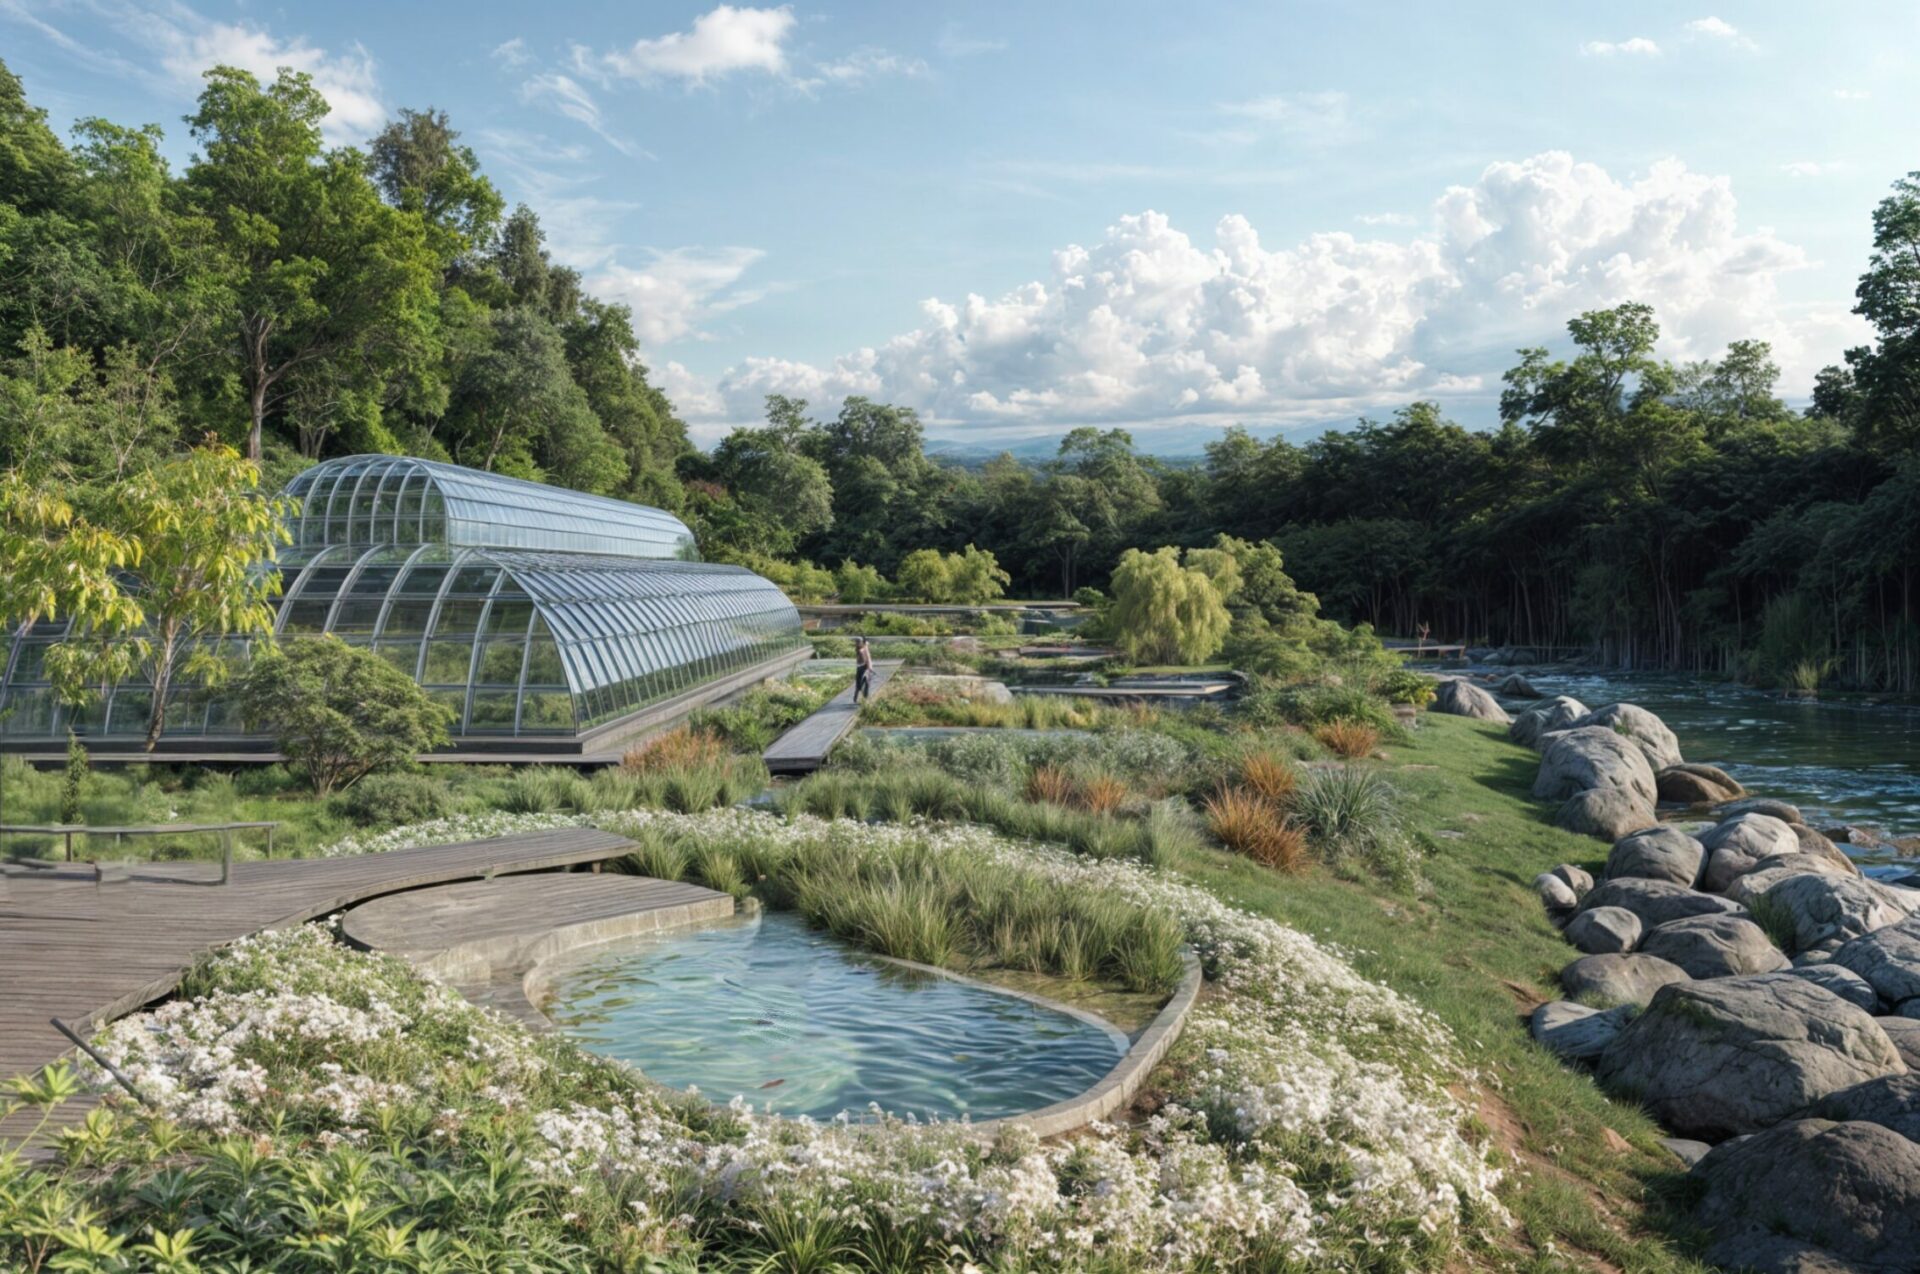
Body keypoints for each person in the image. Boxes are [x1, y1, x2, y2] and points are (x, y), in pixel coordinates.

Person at [853, 636, 874, 702]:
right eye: (856, 642)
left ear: (862, 642)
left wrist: (869, 668)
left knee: (866, 682)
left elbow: (868, 659)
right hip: (860, 667)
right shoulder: (859, 649)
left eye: (858, 642)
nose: (857, 643)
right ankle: (856, 697)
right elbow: (861, 651)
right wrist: (866, 645)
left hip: (865, 667)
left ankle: (865, 698)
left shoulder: (864, 649)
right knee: (859, 684)